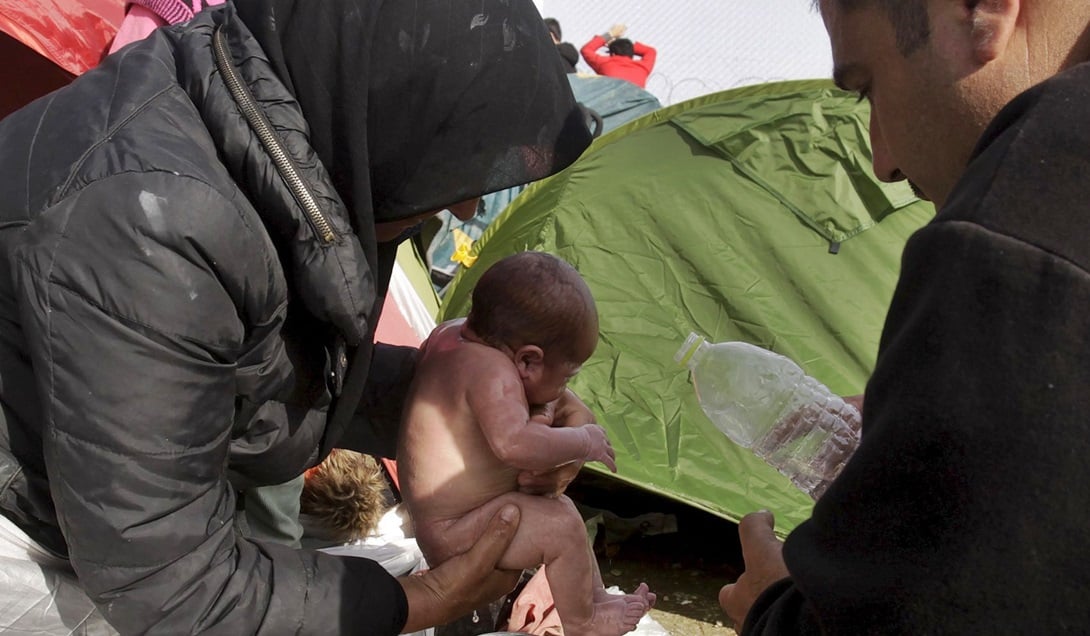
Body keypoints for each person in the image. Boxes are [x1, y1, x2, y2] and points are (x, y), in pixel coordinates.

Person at [0, 0, 595, 634]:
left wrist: (490, 405)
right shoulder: (156, 223)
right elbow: (172, 585)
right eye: (452, 162)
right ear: (389, 112)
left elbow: (255, 368)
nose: (466, 204)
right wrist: (425, 598)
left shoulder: (273, 125)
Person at [719, 0, 1090, 633]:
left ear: (982, 11)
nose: (882, 161)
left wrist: (772, 608)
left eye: (866, 88)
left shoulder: (1038, 188)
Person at [398, 252, 655, 636]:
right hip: (456, 531)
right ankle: (581, 623)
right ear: (528, 362)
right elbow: (513, 444)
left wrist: (548, 407)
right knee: (562, 526)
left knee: (561, 508)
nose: (565, 389)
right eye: (566, 378)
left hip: (449, 520)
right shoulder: (491, 371)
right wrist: (582, 440)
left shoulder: (449, 335)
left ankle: (593, 597)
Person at [580, 24, 657, 89]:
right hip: (637, 104)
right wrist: (626, 46)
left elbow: (586, 49)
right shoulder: (643, 67)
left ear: (613, 54)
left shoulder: (604, 63)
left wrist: (610, 34)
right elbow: (651, 51)